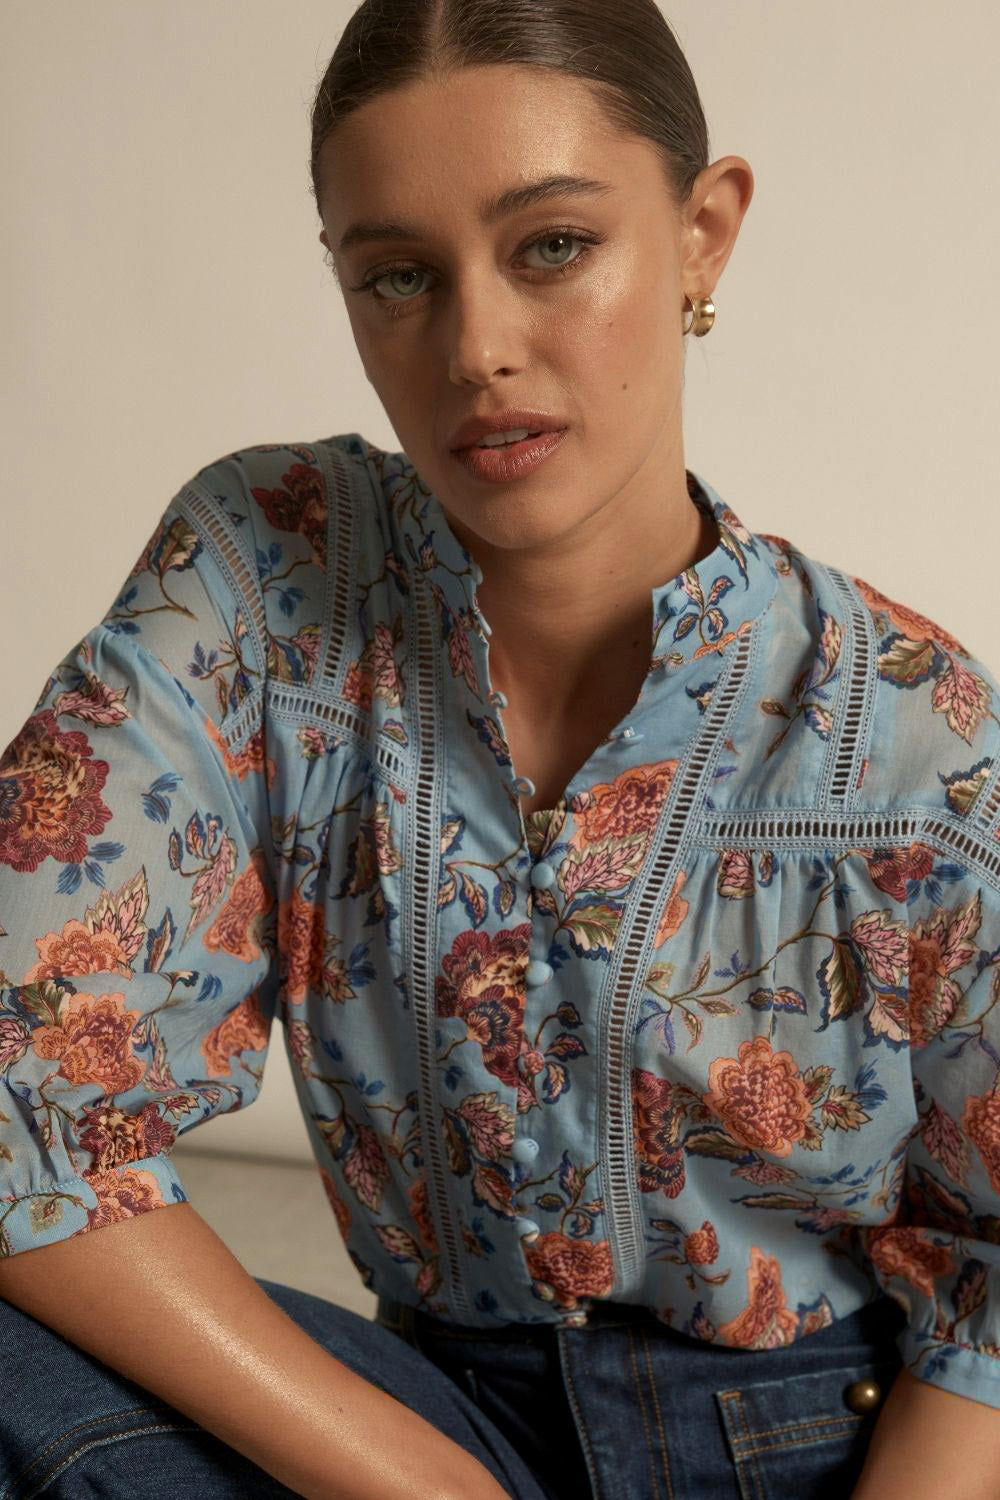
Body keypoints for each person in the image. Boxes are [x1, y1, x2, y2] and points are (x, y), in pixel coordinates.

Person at [1, 1, 999, 1496]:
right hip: (419, 1424)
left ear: (705, 232)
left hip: (828, 1447)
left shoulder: (914, 732)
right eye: (398, 274)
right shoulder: (275, 579)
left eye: (551, 248)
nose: (477, 348)